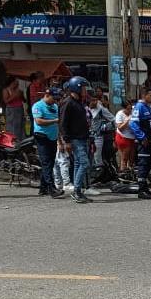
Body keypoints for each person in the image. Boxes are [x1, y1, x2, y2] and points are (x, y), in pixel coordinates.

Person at [60, 76, 92, 204]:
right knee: (84, 163)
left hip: (83, 138)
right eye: (83, 88)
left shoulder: (79, 102)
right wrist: (66, 141)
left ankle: (77, 191)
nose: (85, 90)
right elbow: (63, 124)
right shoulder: (68, 103)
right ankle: (76, 191)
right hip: (75, 139)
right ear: (76, 88)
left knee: (79, 164)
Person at [32, 87, 64, 199]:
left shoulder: (55, 106)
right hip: (42, 137)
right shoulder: (37, 106)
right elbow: (39, 121)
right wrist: (54, 121)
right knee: (46, 162)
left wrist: (60, 141)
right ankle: (52, 188)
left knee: (50, 163)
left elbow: (57, 126)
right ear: (47, 95)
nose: (55, 101)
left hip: (53, 137)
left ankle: (43, 188)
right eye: (53, 98)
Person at [130, 89, 151, 200]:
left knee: (150, 163)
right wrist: (142, 137)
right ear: (144, 95)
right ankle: (141, 190)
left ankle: (145, 188)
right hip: (144, 142)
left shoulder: (149, 107)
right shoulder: (139, 107)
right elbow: (133, 123)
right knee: (143, 164)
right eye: (150, 95)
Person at [88, 97, 115, 168]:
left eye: (95, 100)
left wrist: (104, 127)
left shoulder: (101, 109)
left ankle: (99, 173)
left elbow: (113, 120)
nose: (94, 102)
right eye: (92, 100)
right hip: (86, 136)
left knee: (97, 156)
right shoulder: (85, 108)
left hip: (97, 136)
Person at [114, 100, 136, 174]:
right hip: (123, 137)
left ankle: (130, 170)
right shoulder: (120, 114)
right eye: (128, 109)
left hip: (132, 137)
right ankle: (123, 172)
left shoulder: (133, 111)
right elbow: (120, 127)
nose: (129, 110)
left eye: (130, 109)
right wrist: (127, 121)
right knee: (124, 157)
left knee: (132, 156)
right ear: (123, 108)